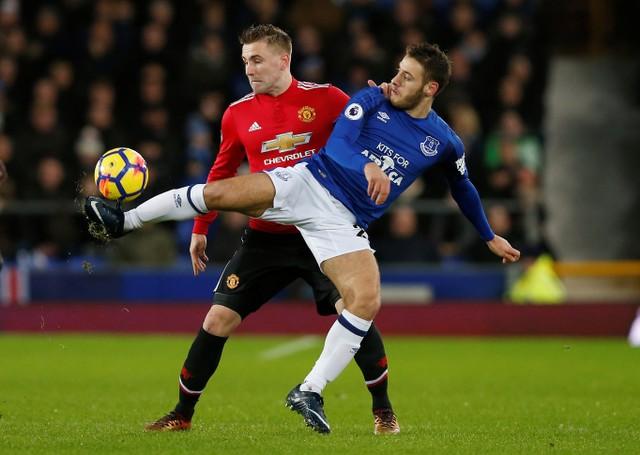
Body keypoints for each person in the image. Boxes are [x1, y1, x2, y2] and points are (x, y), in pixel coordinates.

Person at [86, 41, 521, 434]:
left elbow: (463, 186)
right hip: (306, 185)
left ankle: (312, 391)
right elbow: (341, 144)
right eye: (398, 70)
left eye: (407, 76)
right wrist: (368, 166)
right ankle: (124, 222)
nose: (395, 79)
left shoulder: (444, 141)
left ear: (431, 88)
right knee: (218, 194)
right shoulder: (371, 99)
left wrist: (488, 236)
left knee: (365, 301)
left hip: (340, 220)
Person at [128, 25, 399, 435]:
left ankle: (383, 411)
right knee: (217, 319)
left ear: (283, 60)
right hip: (265, 237)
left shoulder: (327, 98)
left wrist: (383, 108)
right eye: (245, 61)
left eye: (256, 60)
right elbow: (221, 172)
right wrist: (201, 226)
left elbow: (367, 133)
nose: (249, 69)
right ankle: (181, 414)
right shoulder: (237, 113)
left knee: (353, 310)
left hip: (321, 234)